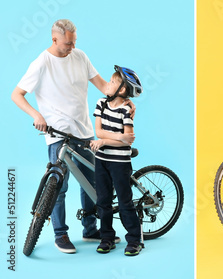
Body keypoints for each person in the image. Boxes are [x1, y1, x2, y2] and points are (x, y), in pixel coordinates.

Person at [11, 19, 125, 253]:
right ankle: (60, 234)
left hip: (84, 132)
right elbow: (17, 94)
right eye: (67, 44)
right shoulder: (42, 63)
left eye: (74, 43)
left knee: (91, 183)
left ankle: (90, 229)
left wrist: (123, 99)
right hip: (58, 134)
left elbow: (104, 86)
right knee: (58, 186)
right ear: (54, 39)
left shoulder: (80, 56)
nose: (72, 48)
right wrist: (36, 114)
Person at [90, 66, 144, 256]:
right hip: (102, 160)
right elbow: (99, 132)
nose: (108, 83)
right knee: (103, 201)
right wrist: (117, 138)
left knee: (124, 202)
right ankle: (107, 238)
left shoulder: (126, 110)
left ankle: (134, 240)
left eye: (112, 82)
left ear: (121, 90)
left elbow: (126, 139)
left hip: (120, 163)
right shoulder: (101, 104)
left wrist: (106, 140)